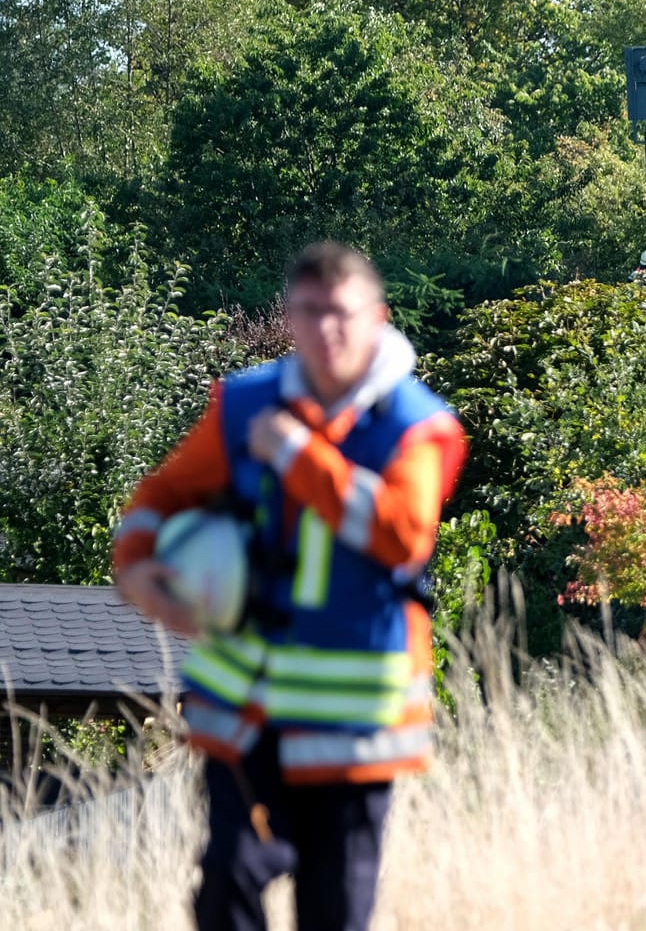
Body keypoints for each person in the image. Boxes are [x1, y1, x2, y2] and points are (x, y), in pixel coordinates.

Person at [114, 242, 467, 931]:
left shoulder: (417, 424)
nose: (327, 330)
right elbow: (165, 493)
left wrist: (302, 457)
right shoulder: (245, 404)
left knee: (333, 913)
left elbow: (402, 533)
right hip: (247, 712)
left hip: (355, 724)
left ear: (377, 318)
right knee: (224, 885)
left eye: (342, 313)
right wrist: (136, 564)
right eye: (310, 313)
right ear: (291, 318)